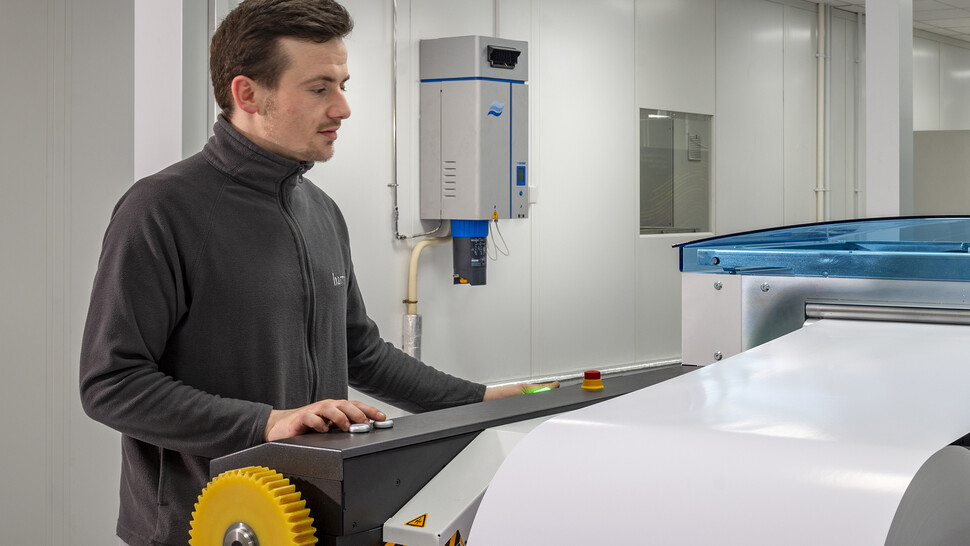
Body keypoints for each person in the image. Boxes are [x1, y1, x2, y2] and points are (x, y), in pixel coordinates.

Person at [79, 1, 555, 544]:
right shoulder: (161, 210)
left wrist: (478, 400)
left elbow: (359, 351)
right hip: (205, 525)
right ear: (247, 94)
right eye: (319, 88)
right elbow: (111, 383)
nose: (343, 107)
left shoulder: (321, 211)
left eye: (342, 85)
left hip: (305, 522)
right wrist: (266, 423)